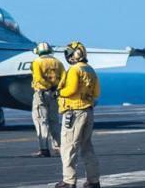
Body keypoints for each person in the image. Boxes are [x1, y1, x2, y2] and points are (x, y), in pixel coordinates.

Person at [55, 42, 101, 188]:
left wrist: (59, 92)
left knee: (68, 147)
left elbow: (71, 89)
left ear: (76, 54)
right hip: (88, 111)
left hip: (74, 112)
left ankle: (69, 181)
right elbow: (97, 93)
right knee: (86, 146)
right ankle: (93, 180)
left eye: (69, 53)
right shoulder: (91, 70)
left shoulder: (74, 70)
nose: (68, 56)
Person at [30, 42, 64, 157]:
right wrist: (55, 87)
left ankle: (44, 149)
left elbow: (38, 78)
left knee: (41, 121)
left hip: (41, 94)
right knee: (54, 121)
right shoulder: (58, 62)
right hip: (55, 94)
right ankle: (59, 147)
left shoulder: (37, 62)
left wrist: (48, 85)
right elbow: (64, 78)